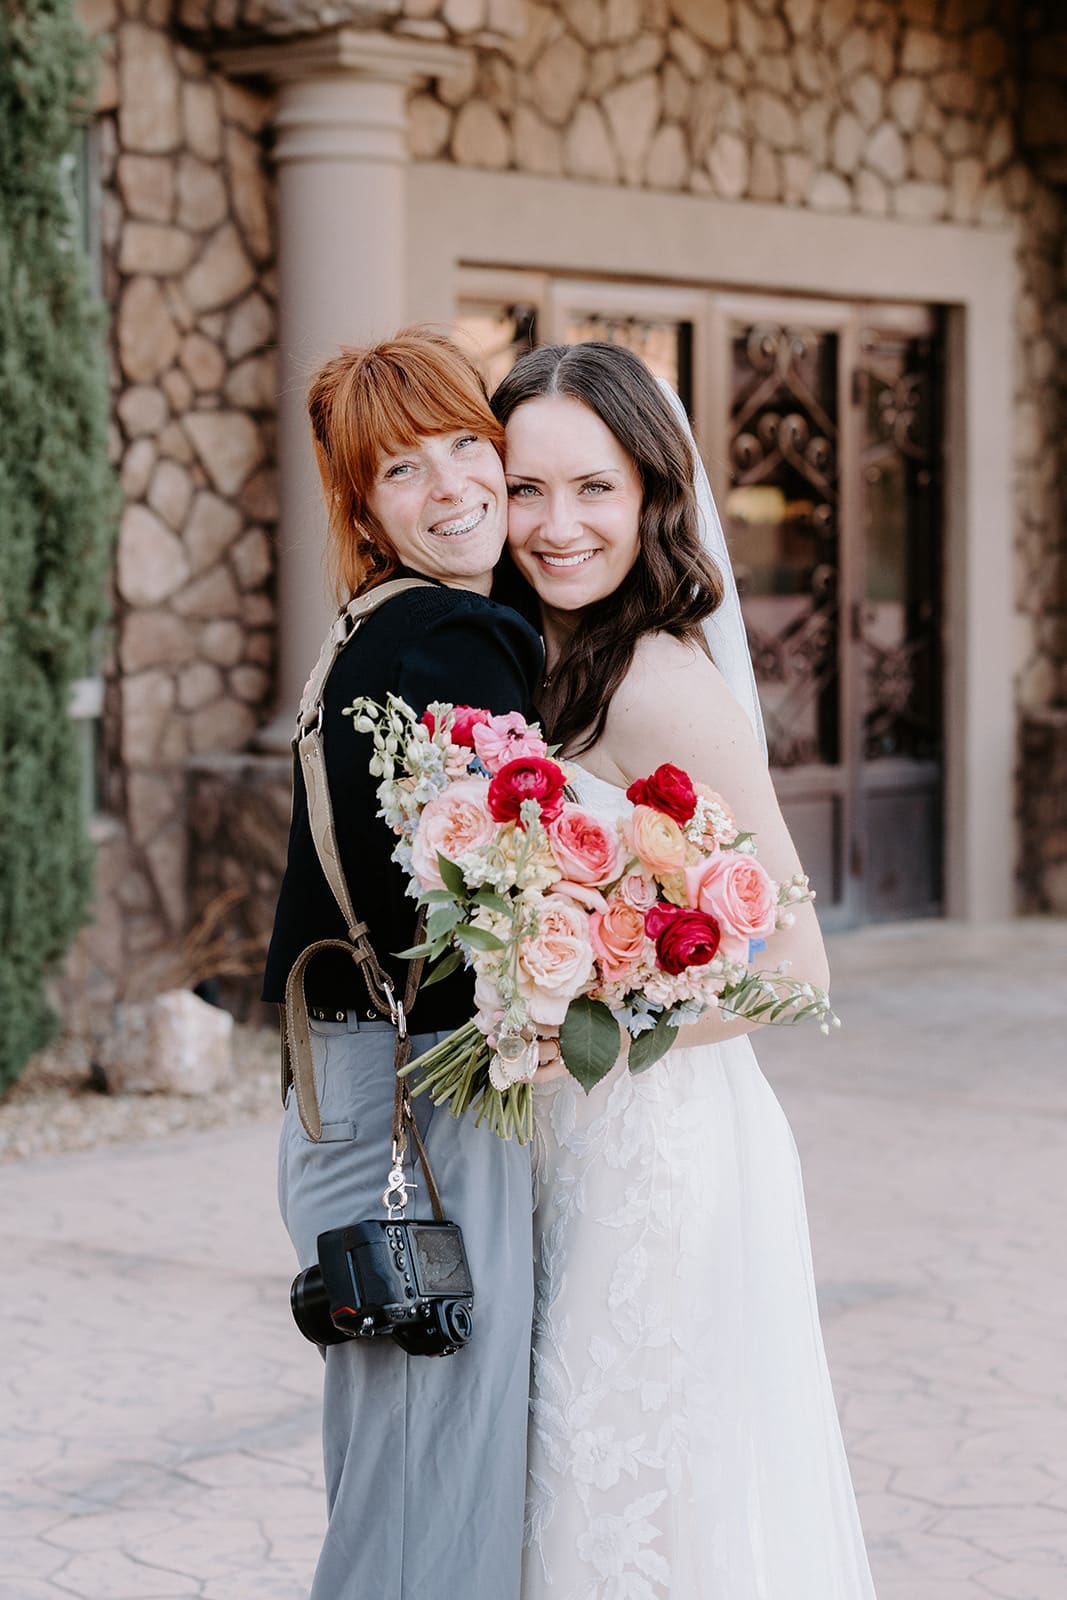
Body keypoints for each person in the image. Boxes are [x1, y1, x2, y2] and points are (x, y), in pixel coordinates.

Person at [491, 342, 878, 1598]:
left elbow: (799, 964)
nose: (557, 527)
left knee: (640, 1506)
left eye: (593, 489)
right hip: (550, 1135)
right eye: (526, 488)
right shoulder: (517, 658)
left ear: (653, 495)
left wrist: (591, 1020)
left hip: (657, 1154)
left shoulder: (666, 685)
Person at [263, 329, 544, 1600]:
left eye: (463, 448)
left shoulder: (363, 632)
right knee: (440, 1443)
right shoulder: (456, 633)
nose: (451, 490)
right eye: (400, 473)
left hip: (344, 1093)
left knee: (390, 1442)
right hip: (423, 1088)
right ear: (361, 506)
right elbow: (483, 894)